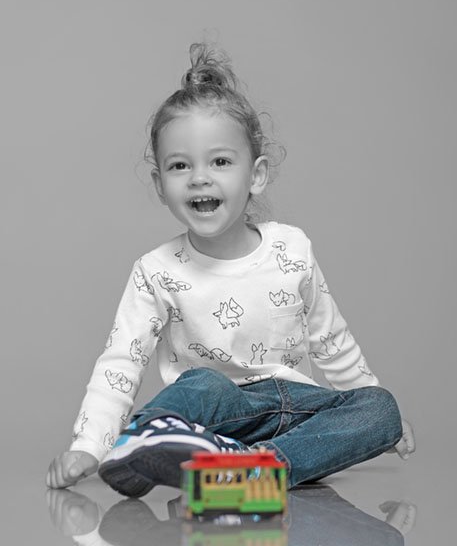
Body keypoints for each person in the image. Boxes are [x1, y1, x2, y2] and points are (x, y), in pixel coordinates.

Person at [47, 43, 415, 496]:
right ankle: (143, 441)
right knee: (200, 383)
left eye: (220, 162)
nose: (200, 177)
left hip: (298, 413)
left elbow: (331, 341)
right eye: (180, 166)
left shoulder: (292, 249)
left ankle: (254, 471)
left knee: (380, 408)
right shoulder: (156, 271)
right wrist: (89, 445)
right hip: (216, 413)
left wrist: (371, 405)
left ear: (256, 175)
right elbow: (121, 362)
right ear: (160, 185)